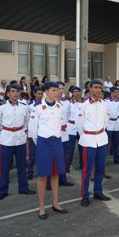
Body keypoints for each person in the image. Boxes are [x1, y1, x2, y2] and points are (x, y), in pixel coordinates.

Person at [28, 82, 68, 219]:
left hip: (57, 141)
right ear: (46, 91)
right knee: (43, 176)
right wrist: (39, 143)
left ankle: (56, 203)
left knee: (56, 174)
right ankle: (41, 207)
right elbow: (33, 130)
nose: (57, 92)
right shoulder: (38, 109)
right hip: (43, 142)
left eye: (58, 90)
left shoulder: (60, 107)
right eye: (54, 90)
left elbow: (62, 125)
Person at [0, 84, 36, 200]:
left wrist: (19, 129)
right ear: (8, 94)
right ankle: (2, 190)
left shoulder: (24, 107)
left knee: (22, 165)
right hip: (6, 139)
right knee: (4, 166)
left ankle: (23, 187)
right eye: (12, 91)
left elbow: (27, 121)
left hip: (20, 139)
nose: (15, 93)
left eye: (17, 91)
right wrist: (7, 129)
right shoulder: (1, 108)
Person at [76, 80, 111, 206]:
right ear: (89, 89)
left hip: (101, 139)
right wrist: (86, 135)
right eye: (95, 87)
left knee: (100, 168)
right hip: (89, 140)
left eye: (100, 88)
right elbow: (79, 124)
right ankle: (84, 195)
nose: (98, 90)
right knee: (87, 169)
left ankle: (98, 191)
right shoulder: (83, 105)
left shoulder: (104, 104)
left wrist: (99, 132)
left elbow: (106, 120)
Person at [27, 87, 44, 180]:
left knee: (41, 154)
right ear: (34, 94)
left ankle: (41, 172)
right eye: (38, 94)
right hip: (32, 133)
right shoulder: (30, 106)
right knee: (32, 154)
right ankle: (30, 171)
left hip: (42, 133)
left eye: (41, 94)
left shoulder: (45, 105)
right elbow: (27, 119)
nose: (40, 96)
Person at [66, 86, 83, 170]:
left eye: (78, 91)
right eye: (75, 91)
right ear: (72, 93)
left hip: (80, 127)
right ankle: (67, 166)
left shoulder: (82, 103)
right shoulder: (68, 103)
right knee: (69, 148)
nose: (77, 93)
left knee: (82, 147)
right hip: (71, 127)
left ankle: (82, 164)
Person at [106, 86, 119, 164]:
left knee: (116, 143)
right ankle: (103, 160)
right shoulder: (106, 101)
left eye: (118, 92)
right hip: (108, 124)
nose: (117, 93)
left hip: (116, 124)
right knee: (106, 143)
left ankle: (116, 158)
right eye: (116, 92)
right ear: (112, 92)